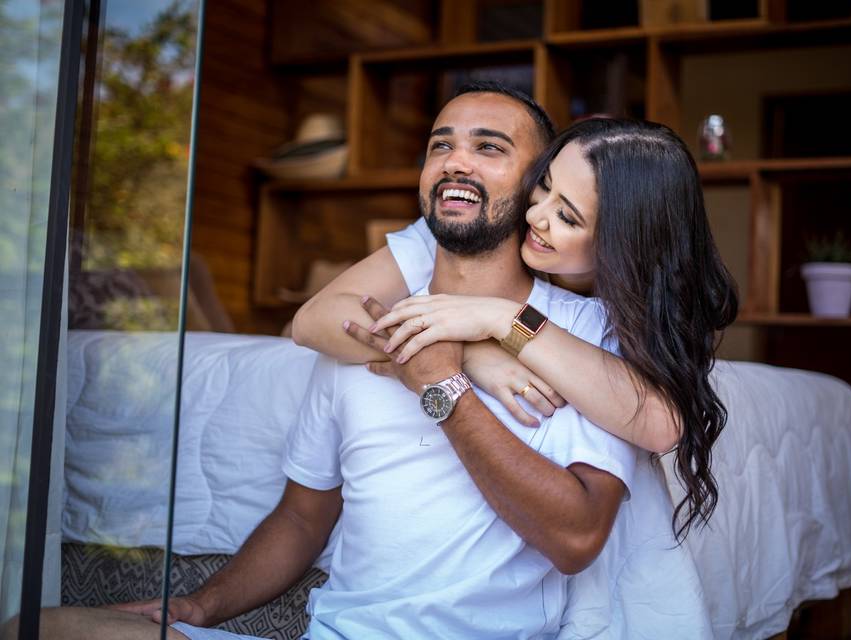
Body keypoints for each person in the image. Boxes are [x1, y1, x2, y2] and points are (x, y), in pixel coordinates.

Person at [17, 83, 646, 640]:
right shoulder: (361, 334)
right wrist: (197, 606)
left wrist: (445, 386)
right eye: (439, 145)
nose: (455, 161)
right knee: (38, 626)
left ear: (540, 188)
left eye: (489, 147)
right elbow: (300, 515)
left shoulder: (576, 339)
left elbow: (576, 539)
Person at [294, 100, 739, 543]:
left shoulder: (624, 306)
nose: (535, 215)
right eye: (541, 187)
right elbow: (314, 320)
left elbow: (661, 423)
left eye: (567, 216)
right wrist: (473, 352)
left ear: (618, 241)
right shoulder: (485, 228)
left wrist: (504, 319)